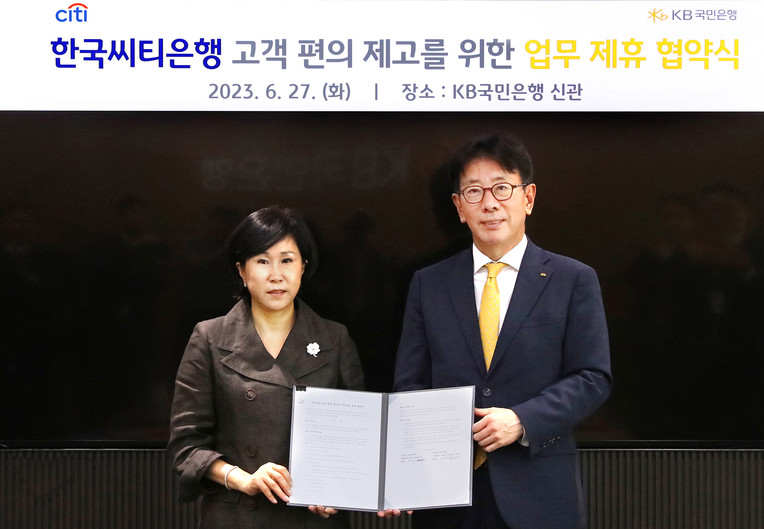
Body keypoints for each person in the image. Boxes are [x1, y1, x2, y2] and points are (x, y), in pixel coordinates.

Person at [392, 132, 612, 529]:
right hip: (446, 497)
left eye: (502, 188)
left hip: (539, 491)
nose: (489, 203)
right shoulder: (429, 284)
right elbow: (410, 384)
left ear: (528, 198)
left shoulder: (572, 279)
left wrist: (523, 419)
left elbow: (592, 377)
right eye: (474, 192)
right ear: (459, 207)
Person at [168, 206, 365, 528]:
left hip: (311, 520)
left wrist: (336, 492)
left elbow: (357, 437)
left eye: (287, 260)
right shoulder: (209, 337)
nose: (276, 275)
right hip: (237, 516)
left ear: (303, 267)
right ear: (242, 271)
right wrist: (243, 479)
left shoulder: (335, 338)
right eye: (262, 261)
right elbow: (186, 446)